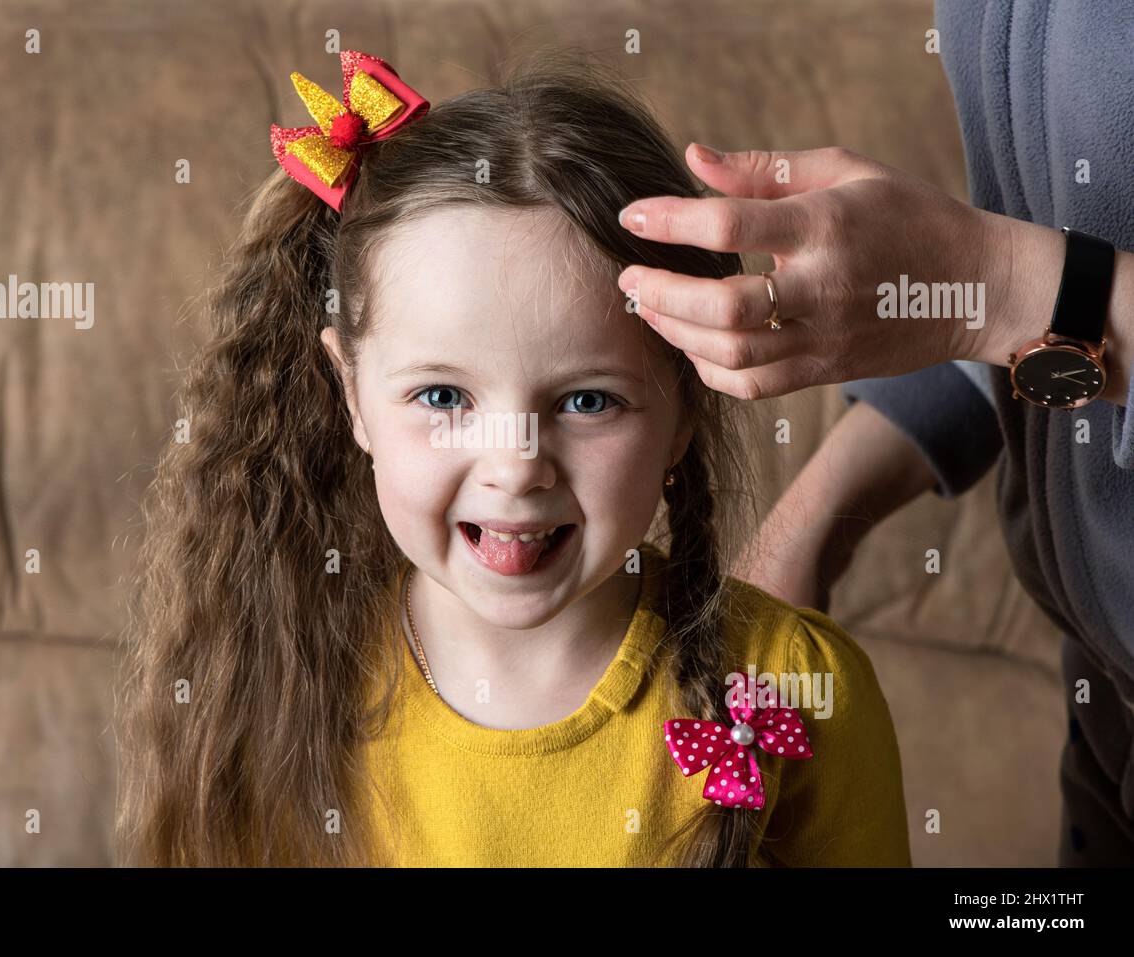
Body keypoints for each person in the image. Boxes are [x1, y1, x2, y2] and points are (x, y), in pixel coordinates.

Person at [115, 48, 911, 867]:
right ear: (352, 397)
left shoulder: (797, 687)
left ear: (683, 412)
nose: (517, 464)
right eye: (443, 397)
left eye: (587, 400)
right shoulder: (286, 682)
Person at [613, 1, 1134, 865]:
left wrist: (990, 279)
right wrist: (816, 514)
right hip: (1105, 713)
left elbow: (1020, 279)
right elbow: (1049, 241)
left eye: (588, 401)